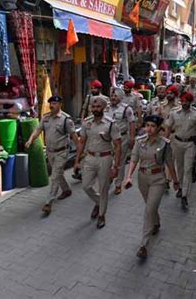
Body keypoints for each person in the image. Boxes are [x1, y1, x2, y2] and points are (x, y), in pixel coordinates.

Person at [124, 115, 179, 259]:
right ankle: (156, 222)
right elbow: (134, 159)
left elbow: (170, 163)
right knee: (150, 206)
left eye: (152, 126)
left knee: (149, 210)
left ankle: (144, 244)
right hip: (142, 178)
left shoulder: (164, 144)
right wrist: (128, 176)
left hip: (158, 179)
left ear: (159, 128)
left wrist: (175, 180)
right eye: (147, 125)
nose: (149, 128)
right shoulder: (139, 141)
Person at [25, 95, 79, 215]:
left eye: (54, 103)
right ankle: (66, 190)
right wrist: (30, 140)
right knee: (57, 173)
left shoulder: (66, 120)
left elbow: (74, 136)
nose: (51, 105)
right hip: (50, 151)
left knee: (54, 176)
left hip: (61, 151)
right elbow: (37, 130)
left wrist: (80, 152)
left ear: (60, 104)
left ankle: (49, 202)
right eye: (51, 103)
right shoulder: (45, 118)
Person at [74, 96, 122, 229]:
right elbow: (82, 142)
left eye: (98, 107)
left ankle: (101, 215)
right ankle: (99, 202)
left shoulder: (110, 124)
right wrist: (77, 161)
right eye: (93, 107)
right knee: (86, 186)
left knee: (103, 188)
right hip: (89, 158)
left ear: (104, 108)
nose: (95, 109)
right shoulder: (87, 122)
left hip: (105, 158)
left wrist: (116, 166)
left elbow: (118, 146)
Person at [165, 92, 196, 208]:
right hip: (177, 143)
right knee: (179, 167)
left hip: (190, 144)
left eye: (186, 101)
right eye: (182, 101)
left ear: (190, 102)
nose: (184, 103)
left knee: (188, 169)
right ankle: (180, 187)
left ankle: (185, 195)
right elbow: (168, 128)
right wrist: (164, 142)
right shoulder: (174, 112)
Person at [105, 87, 136, 195]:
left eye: (115, 96)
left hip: (122, 138)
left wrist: (132, 138)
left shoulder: (127, 109)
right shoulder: (106, 107)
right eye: (112, 96)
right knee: (108, 161)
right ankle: (109, 178)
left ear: (121, 97)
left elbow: (132, 123)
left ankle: (118, 184)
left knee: (120, 163)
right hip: (108, 139)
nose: (113, 98)